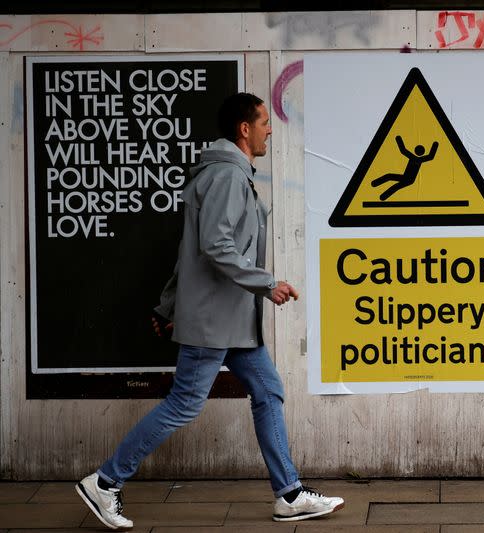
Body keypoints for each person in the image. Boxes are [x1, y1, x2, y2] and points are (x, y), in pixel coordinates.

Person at [75, 92, 344, 530]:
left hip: (232, 321)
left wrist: (166, 304)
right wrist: (267, 283)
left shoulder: (229, 174)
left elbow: (188, 252)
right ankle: (105, 482)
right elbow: (214, 246)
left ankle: (289, 494)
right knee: (183, 404)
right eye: (263, 122)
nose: (269, 129)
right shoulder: (225, 177)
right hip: (215, 322)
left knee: (268, 392)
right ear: (244, 128)